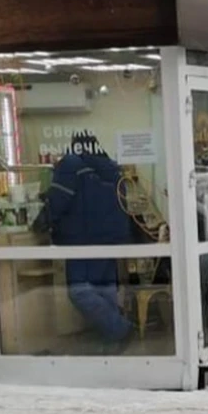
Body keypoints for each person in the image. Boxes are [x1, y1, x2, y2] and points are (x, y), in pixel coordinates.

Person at [45, 133, 135, 349]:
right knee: (104, 287)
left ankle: (120, 330)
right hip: (111, 238)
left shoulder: (71, 164)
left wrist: (44, 222)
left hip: (83, 239)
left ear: (74, 147)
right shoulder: (111, 167)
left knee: (79, 290)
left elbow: (57, 201)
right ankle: (112, 339)